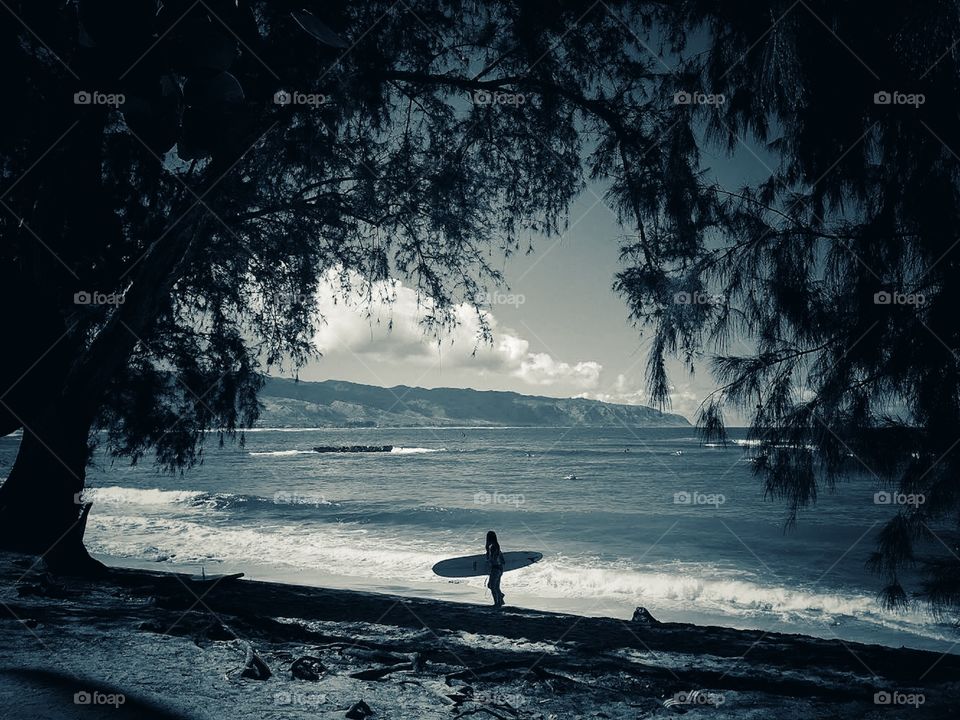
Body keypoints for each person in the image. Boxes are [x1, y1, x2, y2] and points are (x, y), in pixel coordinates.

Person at [485, 530, 506, 607]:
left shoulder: (492, 547)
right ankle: (500, 600)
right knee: (495, 586)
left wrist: (489, 563)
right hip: (500, 569)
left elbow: (493, 559)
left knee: (491, 586)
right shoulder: (497, 547)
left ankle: (497, 602)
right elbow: (503, 561)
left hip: (495, 569)